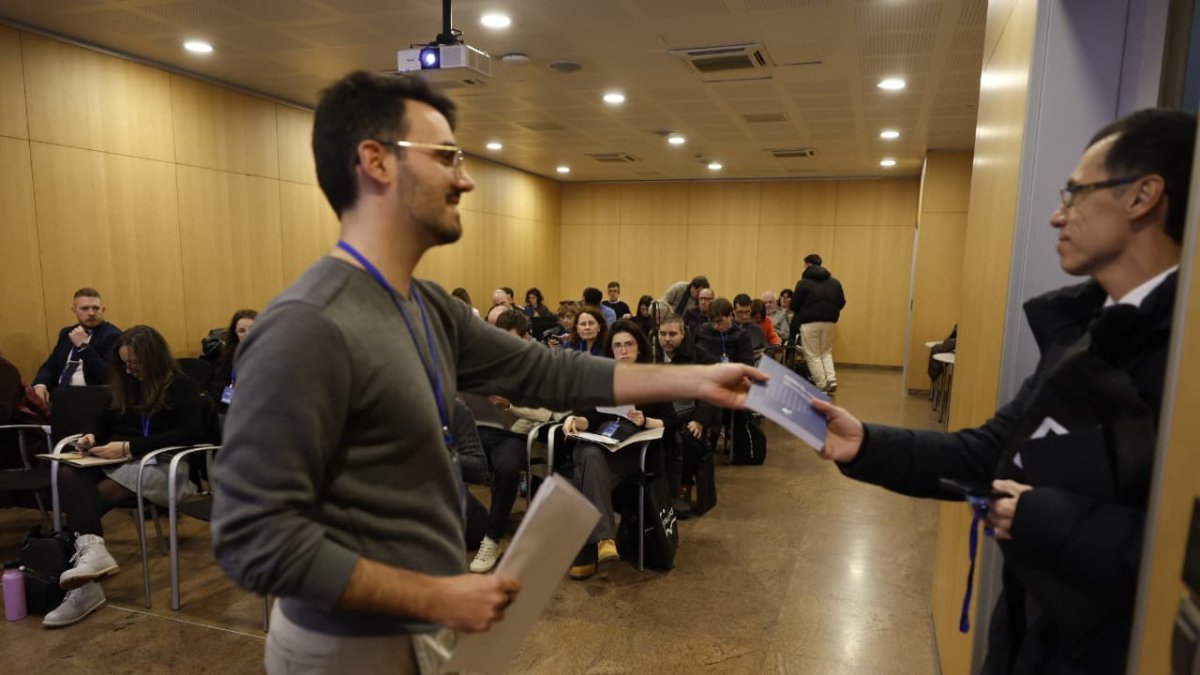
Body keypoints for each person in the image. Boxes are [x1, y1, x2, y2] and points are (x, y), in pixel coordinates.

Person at [209, 71, 761, 675]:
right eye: (446, 156)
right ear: (376, 161)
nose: (464, 178)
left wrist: (693, 381)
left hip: (424, 624)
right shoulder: (306, 327)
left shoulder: (427, 306)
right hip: (348, 646)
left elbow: (547, 370)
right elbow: (250, 537)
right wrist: (431, 595)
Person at [812, 108, 1195, 675]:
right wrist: (865, 443)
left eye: (1077, 193)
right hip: (1033, 631)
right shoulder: (1084, 334)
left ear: (1143, 196)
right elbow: (991, 450)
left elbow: (1179, 550)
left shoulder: (1183, 358)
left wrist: (1049, 520)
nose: (1056, 215)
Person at [45, 325, 206, 628]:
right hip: (122, 463)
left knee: (90, 499)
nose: (130, 370)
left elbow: (192, 432)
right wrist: (91, 438)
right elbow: (103, 424)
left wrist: (130, 446)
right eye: (125, 364)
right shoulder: (126, 385)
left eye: (136, 363)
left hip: (165, 466)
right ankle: (89, 570)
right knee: (68, 474)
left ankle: (85, 581)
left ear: (154, 359)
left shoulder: (180, 385)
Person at [563, 321, 675, 580]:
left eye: (628, 345)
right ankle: (604, 539)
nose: (623, 351)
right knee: (590, 455)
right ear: (611, 351)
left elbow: (671, 423)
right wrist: (574, 421)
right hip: (598, 442)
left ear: (639, 348)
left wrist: (644, 421)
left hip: (631, 451)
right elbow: (587, 417)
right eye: (617, 346)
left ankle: (590, 549)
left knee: (586, 469)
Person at [468, 310, 560, 573]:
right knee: (441, 453)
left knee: (508, 469)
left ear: (525, 337)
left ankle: (492, 538)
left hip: (517, 434)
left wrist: (510, 405)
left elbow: (547, 412)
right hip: (481, 428)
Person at [655, 314, 719, 517]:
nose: (667, 339)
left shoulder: (700, 357)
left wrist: (700, 420)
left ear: (683, 335)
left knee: (689, 436)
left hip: (691, 414)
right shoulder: (651, 355)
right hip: (661, 414)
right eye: (662, 334)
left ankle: (683, 485)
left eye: (672, 334)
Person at [32, 288, 121, 405]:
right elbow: (50, 365)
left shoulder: (112, 335)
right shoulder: (67, 332)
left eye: (96, 308)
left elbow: (107, 375)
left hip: (91, 396)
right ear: (74, 310)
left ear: (103, 310)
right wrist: (40, 385)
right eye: (85, 308)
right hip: (59, 393)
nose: (91, 313)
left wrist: (83, 347)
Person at [789, 254, 845, 393]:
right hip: (829, 322)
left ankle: (821, 385)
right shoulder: (835, 282)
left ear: (808, 265)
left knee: (812, 354)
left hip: (809, 322)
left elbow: (794, 304)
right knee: (825, 351)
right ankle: (831, 379)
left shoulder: (803, 283)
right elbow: (842, 302)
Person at [208, 309, 257, 411]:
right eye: (242, 331)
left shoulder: (275, 358)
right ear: (236, 335)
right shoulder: (227, 359)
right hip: (234, 411)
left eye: (253, 328)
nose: (248, 334)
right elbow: (218, 393)